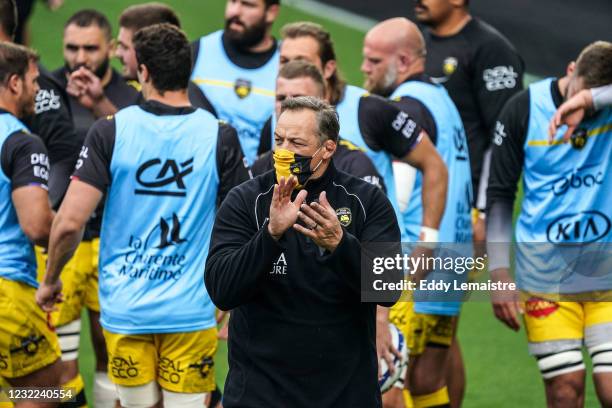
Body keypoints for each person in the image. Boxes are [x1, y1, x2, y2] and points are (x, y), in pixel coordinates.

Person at [37, 23, 249, 408]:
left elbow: (69, 222)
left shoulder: (110, 132)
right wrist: (233, 298)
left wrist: (50, 279)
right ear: (187, 71)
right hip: (191, 309)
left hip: (126, 308)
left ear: (144, 72)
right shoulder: (220, 135)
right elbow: (245, 225)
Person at [206, 95, 403, 407]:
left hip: (344, 395)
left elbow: (389, 287)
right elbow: (222, 290)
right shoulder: (246, 200)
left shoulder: (366, 200)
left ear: (327, 148)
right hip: (260, 395)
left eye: (296, 142)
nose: (283, 151)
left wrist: (340, 245)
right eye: (279, 139)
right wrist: (270, 236)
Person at [487, 41, 612, 408]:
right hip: (545, 276)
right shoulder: (523, 109)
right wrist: (499, 273)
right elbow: (499, 195)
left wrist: (590, 101)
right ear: (570, 70)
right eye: (576, 93)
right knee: (565, 389)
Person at [362, 17, 473, 408]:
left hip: (415, 261)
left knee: (390, 382)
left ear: (404, 60)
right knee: (428, 381)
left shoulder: (406, 108)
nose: (364, 69)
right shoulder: (443, 101)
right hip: (453, 257)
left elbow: (399, 195)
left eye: (373, 61)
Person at [46, 10, 142, 406]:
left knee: (111, 353)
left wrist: (100, 103)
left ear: (110, 48)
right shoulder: (43, 89)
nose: (80, 58)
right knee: (56, 363)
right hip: (60, 241)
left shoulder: (131, 95)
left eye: (90, 48)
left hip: (114, 242)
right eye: (72, 48)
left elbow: (142, 146)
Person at [414, 0, 524, 254]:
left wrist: (486, 212)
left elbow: (505, 138)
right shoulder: (422, 44)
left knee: (435, 291)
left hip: (463, 209)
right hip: (420, 203)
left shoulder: (491, 50)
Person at [0, 41, 59, 405]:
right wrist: (66, 226)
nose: (38, 91)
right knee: (47, 387)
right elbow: (37, 225)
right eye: (34, 81)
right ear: (15, 83)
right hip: (9, 291)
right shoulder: (22, 142)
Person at [252, 60, 385, 192]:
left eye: (299, 98)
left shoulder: (355, 166)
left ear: (323, 104)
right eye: (281, 98)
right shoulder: (261, 166)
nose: (288, 105)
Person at [190, 0, 281, 164]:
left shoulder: (286, 64)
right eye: (232, 1)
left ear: (271, 12)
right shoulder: (198, 51)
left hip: (254, 184)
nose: (235, 11)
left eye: (248, 4)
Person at [115, 2, 215, 114]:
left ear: (150, 47)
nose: (117, 53)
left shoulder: (190, 105)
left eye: (125, 47)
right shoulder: (146, 94)